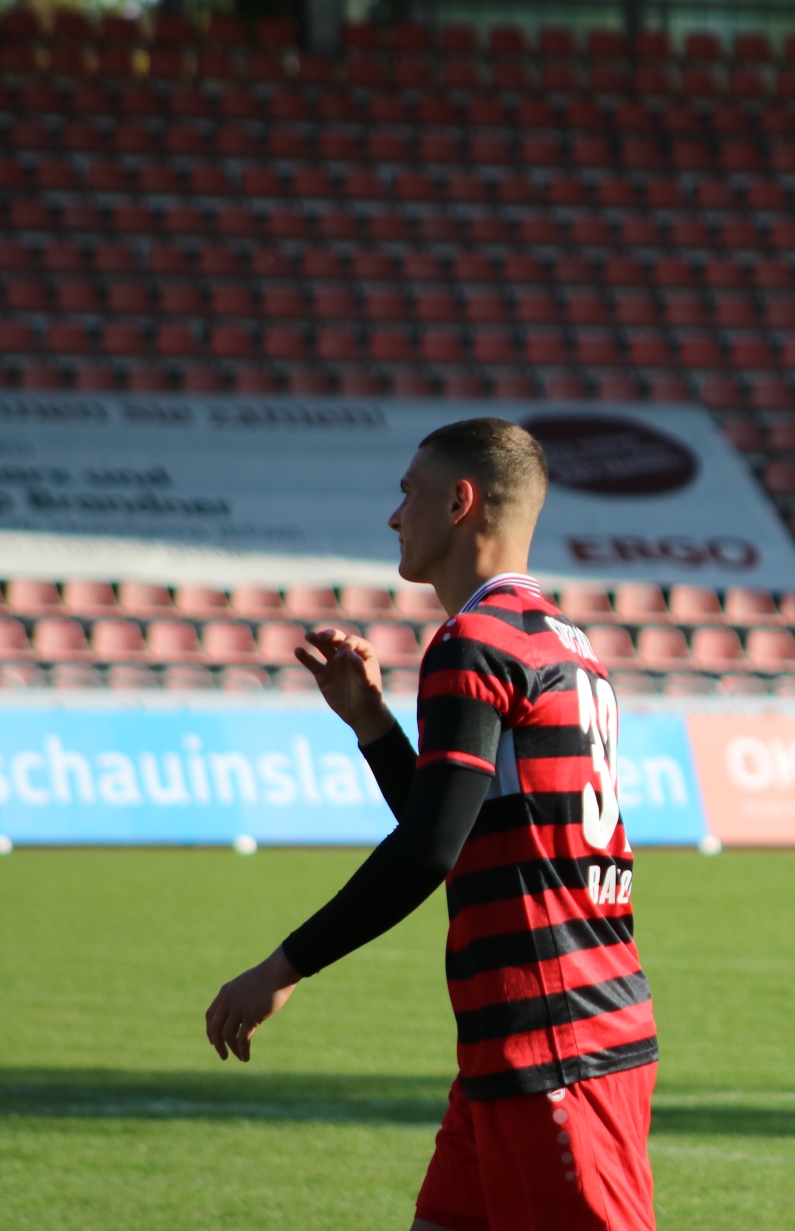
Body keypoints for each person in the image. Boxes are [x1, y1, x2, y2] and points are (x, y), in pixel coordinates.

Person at [203, 418, 657, 1231]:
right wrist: (374, 724)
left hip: (554, 1038)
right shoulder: (565, 644)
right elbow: (463, 829)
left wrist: (284, 965)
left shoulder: (473, 643)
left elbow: (427, 850)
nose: (393, 515)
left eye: (408, 493)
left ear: (459, 502)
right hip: (528, 1034)